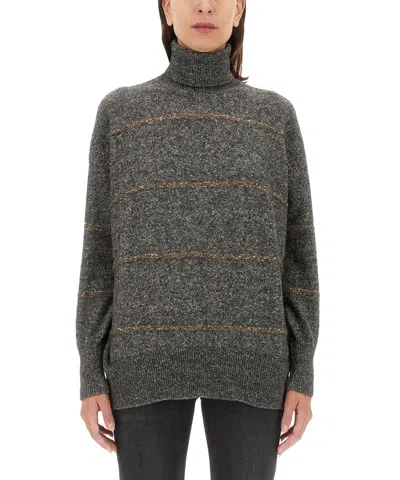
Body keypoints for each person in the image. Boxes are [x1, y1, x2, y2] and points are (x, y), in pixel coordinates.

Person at [75, 1, 320, 478]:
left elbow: (299, 255)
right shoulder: (121, 114)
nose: (205, 5)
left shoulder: (274, 117)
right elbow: (99, 251)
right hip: (143, 361)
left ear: (239, 9)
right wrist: (89, 370)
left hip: (253, 362)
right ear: (167, 9)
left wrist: (303, 370)